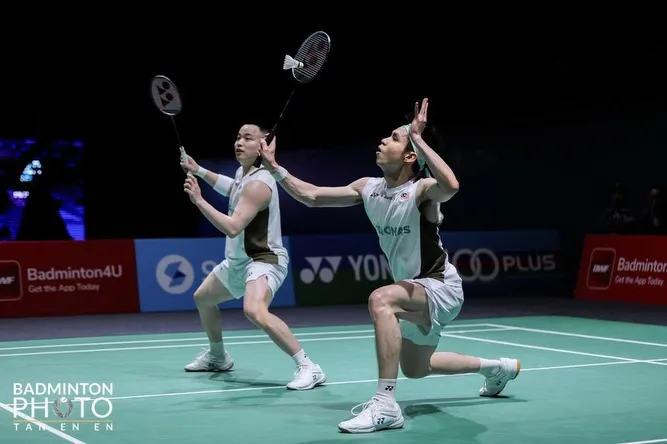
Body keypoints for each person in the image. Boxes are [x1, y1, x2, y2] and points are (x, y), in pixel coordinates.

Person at [258, 100, 520, 432]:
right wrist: (274, 167)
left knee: (381, 300)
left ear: (410, 156)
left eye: (394, 138)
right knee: (416, 368)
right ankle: (497, 368)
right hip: (411, 290)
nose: (383, 141)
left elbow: (451, 186)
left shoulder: (420, 191)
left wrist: (418, 138)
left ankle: (385, 405)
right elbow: (311, 196)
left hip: (439, 286)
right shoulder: (368, 188)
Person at [180, 123, 327, 391]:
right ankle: (218, 356)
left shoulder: (259, 184)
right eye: (238, 137)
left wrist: (199, 200)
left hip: (263, 259)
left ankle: (309, 366)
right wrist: (198, 170)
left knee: (254, 310)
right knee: (203, 298)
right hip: (239, 261)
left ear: (261, 147)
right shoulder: (244, 174)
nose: (239, 142)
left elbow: (233, 227)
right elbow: (232, 187)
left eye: (248, 138)